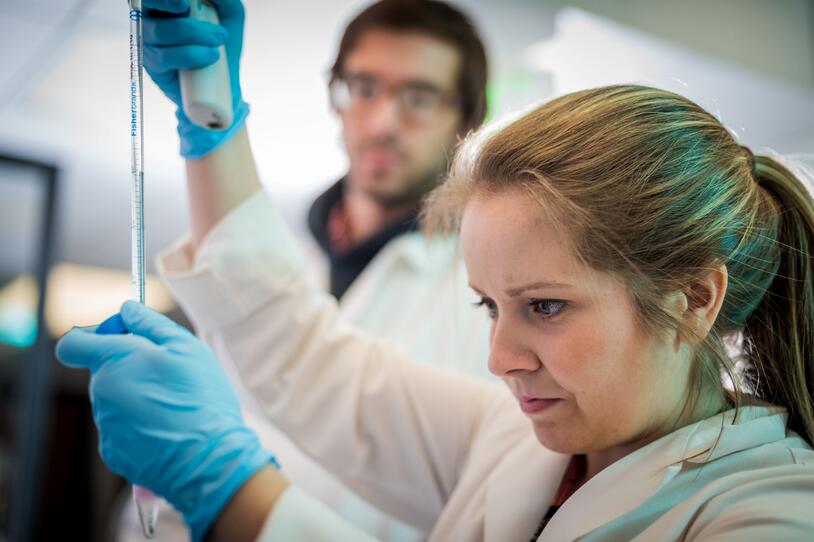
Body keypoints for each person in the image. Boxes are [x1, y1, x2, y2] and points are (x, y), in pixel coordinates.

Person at [61, 83, 814, 541]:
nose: (499, 358)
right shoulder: (515, 443)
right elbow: (310, 359)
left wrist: (228, 489)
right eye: (490, 305)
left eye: (545, 305)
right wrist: (210, 113)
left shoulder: (772, 511)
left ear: (694, 298)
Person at [116, 0, 492, 540]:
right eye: (364, 88)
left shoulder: (485, 300)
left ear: (466, 119)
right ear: (336, 96)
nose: (384, 122)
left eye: (419, 97)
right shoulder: (276, 249)